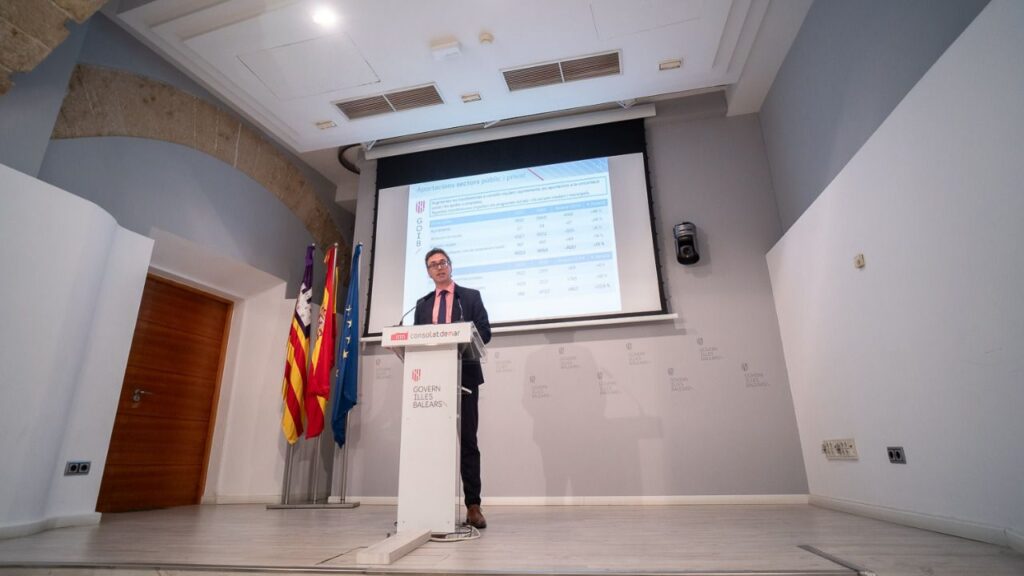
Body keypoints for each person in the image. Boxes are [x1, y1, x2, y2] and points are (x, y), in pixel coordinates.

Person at [414, 247, 492, 529]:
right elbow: (416, 340)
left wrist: (461, 335)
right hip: (432, 380)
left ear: (450, 266)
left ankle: (473, 506)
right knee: (433, 442)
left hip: (465, 378)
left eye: (443, 262)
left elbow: (485, 333)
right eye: (433, 264)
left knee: (468, 441)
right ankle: (432, 503)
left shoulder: (470, 297)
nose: (439, 267)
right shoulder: (422, 305)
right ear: (428, 272)